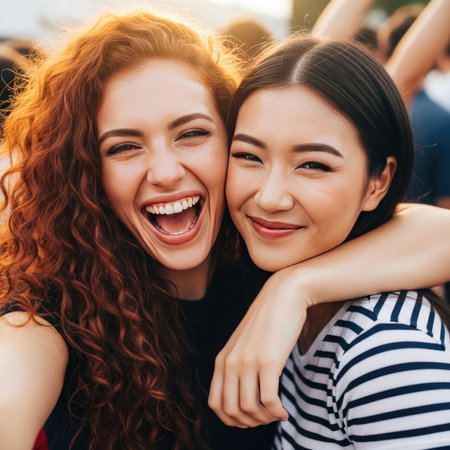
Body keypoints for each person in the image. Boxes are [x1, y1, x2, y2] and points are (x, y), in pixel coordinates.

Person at [1, 8, 450, 450]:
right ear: (85, 170)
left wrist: (292, 288)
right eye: (123, 146)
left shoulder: (270, 258)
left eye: (192, 133)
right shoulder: (58, 311)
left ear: (229, 137)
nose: (164, 171)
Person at [211, 36, 450, 448]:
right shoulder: (302, 312)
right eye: (249, 156)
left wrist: (293, 286)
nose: (270, 196)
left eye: (313, 165)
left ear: (379, 182)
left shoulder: (386, 352)